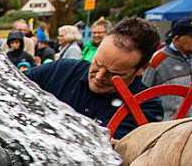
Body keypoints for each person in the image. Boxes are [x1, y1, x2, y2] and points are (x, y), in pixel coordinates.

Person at [27, 16, 163, 137]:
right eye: (97, 63)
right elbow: (12, 86)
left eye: (114, 74)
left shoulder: (144, 108)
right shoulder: (60, 71)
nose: (99, 76)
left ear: (142, 69)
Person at [141, 17, 192, 119]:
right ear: (176, 39)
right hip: (170, 127)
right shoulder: (158, 60)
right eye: (191, 36)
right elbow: (143, 94)